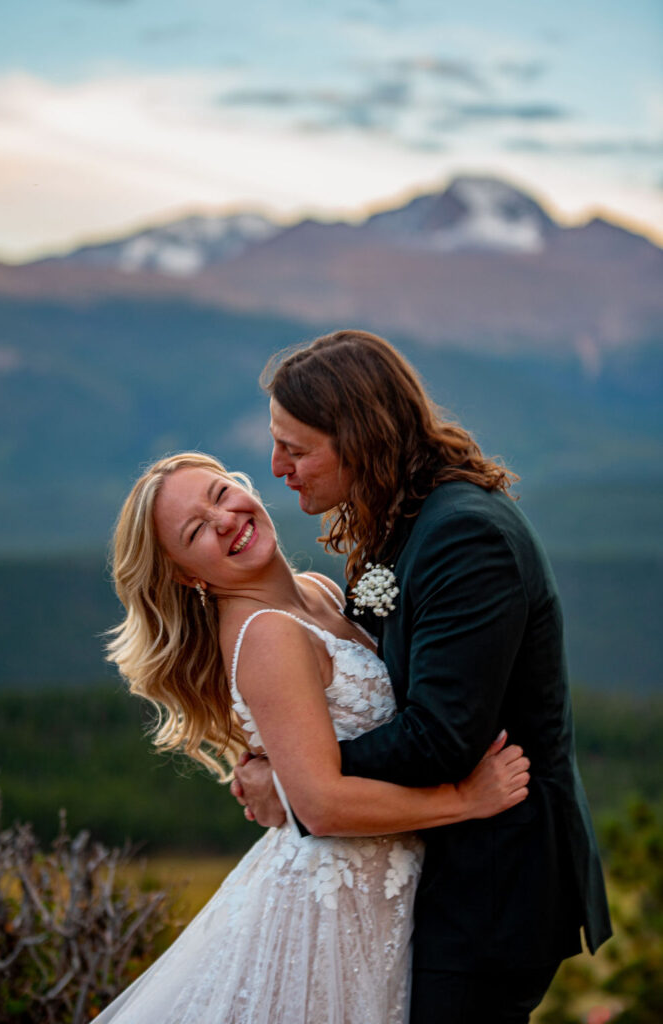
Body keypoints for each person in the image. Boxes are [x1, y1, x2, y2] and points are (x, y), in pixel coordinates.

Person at [232, 329, 612, 1024]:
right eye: (275, 441)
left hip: (494, 887)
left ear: (359, 436)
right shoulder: (403, 523)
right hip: (440, 872)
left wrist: (298, 780)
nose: (278, 466)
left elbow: (441, 737)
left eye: (296, 447)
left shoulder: (465, 535)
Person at [98, 451, 530, 1024]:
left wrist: (276, 774)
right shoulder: (268, 636)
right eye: (197, 530)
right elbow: (321, 805)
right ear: (184, 574)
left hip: (388, 891)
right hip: (331, 909)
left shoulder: (317, 592)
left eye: (221, 494)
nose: (224, 519)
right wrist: (464, 801)